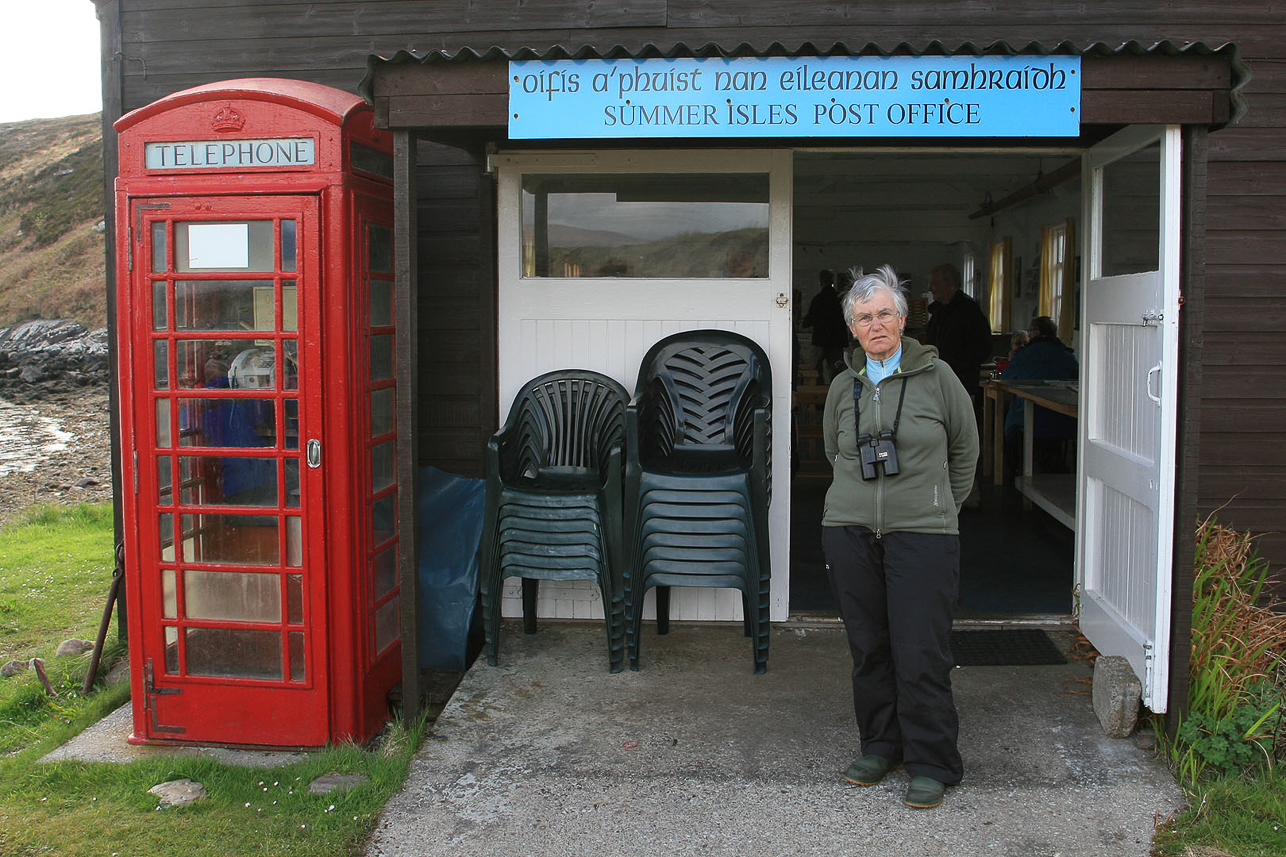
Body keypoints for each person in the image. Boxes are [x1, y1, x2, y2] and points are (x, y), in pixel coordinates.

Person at [821, 264, 979, 810]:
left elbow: (965, 452)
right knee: (869, 647)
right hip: (850, 530)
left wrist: (937, 508)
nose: (876, 324)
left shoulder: (941, 379)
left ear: (906, 319)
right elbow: (833, 452)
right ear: (853, 328)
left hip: (924, 533)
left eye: (885, 312)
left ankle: (932, 761)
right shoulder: (843, 386)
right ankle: (881, 745)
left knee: (921, 649)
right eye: (864, 317)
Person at [1001, 316, 1078, 471]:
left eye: (1030, 331)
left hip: (1028, 419)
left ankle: (1009, 471)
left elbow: (1006, 378)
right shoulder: (1068, 356)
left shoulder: (1024, 355)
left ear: (1037, 332)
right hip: (1065, 421)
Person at [926, 263, 993, 404]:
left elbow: (983, 347)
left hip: (961, 383)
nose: (930, 289)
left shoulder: (969, 312)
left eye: (934, 283)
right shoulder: (939, 312)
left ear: (949, 284)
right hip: (937, 380)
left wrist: (956, 367)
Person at [802, 268, 850, 383]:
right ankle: (835, 389)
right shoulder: (840, 299)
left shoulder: (819, 299)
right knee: (836, 368)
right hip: (837, 340)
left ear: (820, 282)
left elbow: (810, 319)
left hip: (821, 339)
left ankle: (818, 387)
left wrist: (805, 323)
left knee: (815, 368)